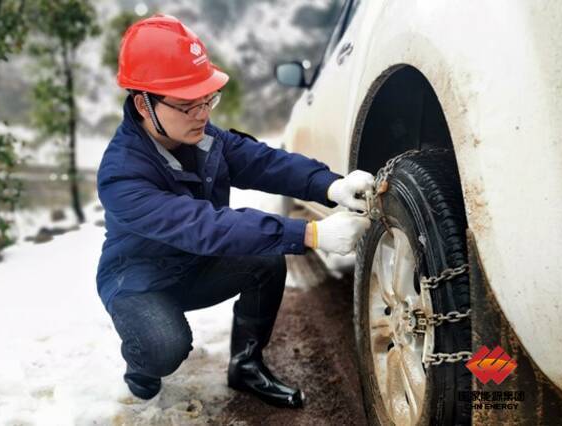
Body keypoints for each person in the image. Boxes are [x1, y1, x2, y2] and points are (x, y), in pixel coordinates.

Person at [96, 14, 374, 409]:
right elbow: (204, 226)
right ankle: (142, 368)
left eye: (207, 100)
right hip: (140, 282)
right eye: (188, 104)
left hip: (193, 266)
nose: (203, 114)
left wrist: (331, 185)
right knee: (166, 345)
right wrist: (311, 234)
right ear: (143, 103)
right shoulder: (121, 175)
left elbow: (264, 163)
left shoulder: (202, 136)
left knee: (266, 258)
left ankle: (245, 365)